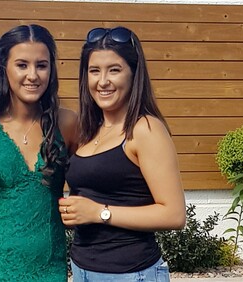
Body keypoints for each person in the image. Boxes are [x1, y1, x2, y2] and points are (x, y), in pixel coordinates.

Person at [58, 26, 186, 282]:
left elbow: (174, 214)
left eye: (114, 70)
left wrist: (99, 213)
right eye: (94, 71)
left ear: (133, 74)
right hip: (82, 269)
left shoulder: (145, 129)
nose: (102, 81)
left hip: (131, 273)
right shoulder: (89, 130)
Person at [0, 24, 77, 281]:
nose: (32, 75)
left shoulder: (68, 124)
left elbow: (92, 179)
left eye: (41, 65)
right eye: (22, 65)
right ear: (3, 68)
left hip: (49, 265)